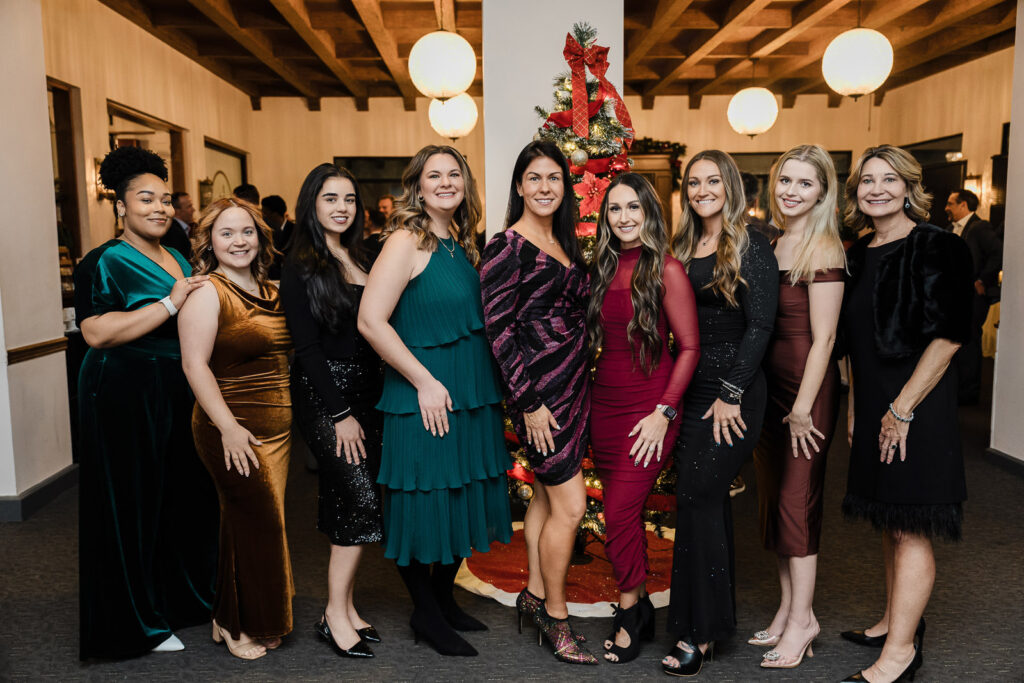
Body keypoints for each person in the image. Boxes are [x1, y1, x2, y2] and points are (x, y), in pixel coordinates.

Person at [358, 145, 512, 657]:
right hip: (421, 393)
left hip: (468, 394)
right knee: (421, 503)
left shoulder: (462, 241)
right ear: (417, 186)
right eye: (434, 175)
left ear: (464, 184)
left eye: (454, 175)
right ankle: (425, 611)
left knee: (461, 495)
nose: (445, 182)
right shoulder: (406, 239)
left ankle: (443, 600)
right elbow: (370, 320)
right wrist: (423, 381)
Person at [74, 146, 218, 659]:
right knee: (129, 505)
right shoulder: (102, 261)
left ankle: (177, 601)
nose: (158, 208)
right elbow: (95, 332)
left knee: (175, 498)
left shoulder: (177, 256)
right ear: (121, 206)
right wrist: (169, 302)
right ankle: (133, 624)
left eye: (163, 198)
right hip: (122, 390)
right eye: (145, 198)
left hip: (172, 387)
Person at [838, 145, 973, 683]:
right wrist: (857, 407)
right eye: (867, 180)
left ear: (910, 186)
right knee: (890, 520)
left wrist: (901, 410)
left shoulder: (938, 246)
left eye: (888, 179)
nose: (876, 189)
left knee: (912, 524)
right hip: (873, 400)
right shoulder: (859, 250)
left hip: (919, 401)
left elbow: (949, 338)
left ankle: (900, 653)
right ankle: (896, 620)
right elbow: (853, 343)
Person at [662, 150, 779, 677]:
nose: (702, 189)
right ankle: (705, 623)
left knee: (698, 495)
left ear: (730, 185)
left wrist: (731, 391)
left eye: (713, 180)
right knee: (697, 503)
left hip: (732, 393)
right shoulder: (683, 245)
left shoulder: (751, 242)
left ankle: (701, 632)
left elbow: (760, 325)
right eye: (694, 182)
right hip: (691, 392)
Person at [480, 141, 596, 665]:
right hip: (540, 399)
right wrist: (527, 403)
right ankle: (557, 614)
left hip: (574, 390)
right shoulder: (507, 246)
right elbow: (498, 331)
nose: (545, 187)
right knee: (571, 505)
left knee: (548, 502)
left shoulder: (566, 240)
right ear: (519, 186)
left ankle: (532, 593)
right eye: (534, 178)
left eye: (554, 178)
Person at [587, 173, 700, 664]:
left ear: (650, 213)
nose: (624, 217)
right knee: (619, 513)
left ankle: (630, 609)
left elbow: (690, 347)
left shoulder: (666, 270)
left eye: (633, 207)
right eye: (614, 209)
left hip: (650, 408)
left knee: (619, 514)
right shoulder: (600, 265)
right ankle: (643, 604)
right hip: (603, 406)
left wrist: (664, 412)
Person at [179, 198, 294, 660]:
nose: (238, 241)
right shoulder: (207, 291)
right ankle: (237, 622)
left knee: (249, 523)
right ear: (209, 240)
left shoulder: (272, 288)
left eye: (246, 231)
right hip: (230, 426)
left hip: (278, 430)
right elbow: (194, 364)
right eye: (226, 233)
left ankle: (228, 613)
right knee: (260, 524)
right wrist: (227, 427)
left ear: (260, 236)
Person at [280, 164, 384, 660]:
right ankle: (332, 614)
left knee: (347, 499)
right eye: (330, 199)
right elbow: (306, 348)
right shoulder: (299, 263)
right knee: (362, 500)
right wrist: (340, 413)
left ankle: (344, 607)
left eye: (348, 198)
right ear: (311, 204)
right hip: (327, 396)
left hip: (369, 393)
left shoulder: (365, 253)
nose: (341, 207)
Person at [750, 145, 846, 670]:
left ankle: (805, 619)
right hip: (770, 392)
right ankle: (788, 608)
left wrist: (804, 407)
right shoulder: (777, 240)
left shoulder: (824, 245)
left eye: (805, 183)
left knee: (797, 504)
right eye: (785, 179)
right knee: (774, 505)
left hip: (804, 394)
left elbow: (826, 339)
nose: (790, 190)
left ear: (823, 192)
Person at [944, 188, 1002, 405]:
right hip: (952, 296)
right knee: (952, 340)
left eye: (950, 203)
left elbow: (998, 253)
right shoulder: (950, 228)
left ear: (963, 205)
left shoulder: (980, 227)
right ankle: (954, 388)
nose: (946, 208)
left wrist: (982, 280)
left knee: (969, 342)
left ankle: (968, 394)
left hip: (972, 296)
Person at [261, 194, 295, 280]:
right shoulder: (269, 232)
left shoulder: (296, 231)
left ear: (274, 214)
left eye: (265, 213)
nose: (263, 217)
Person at [160, 191, 194, 258]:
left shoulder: (186, 228)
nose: (193, 209)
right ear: (177, 211)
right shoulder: (173, 232)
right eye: (189, 206)